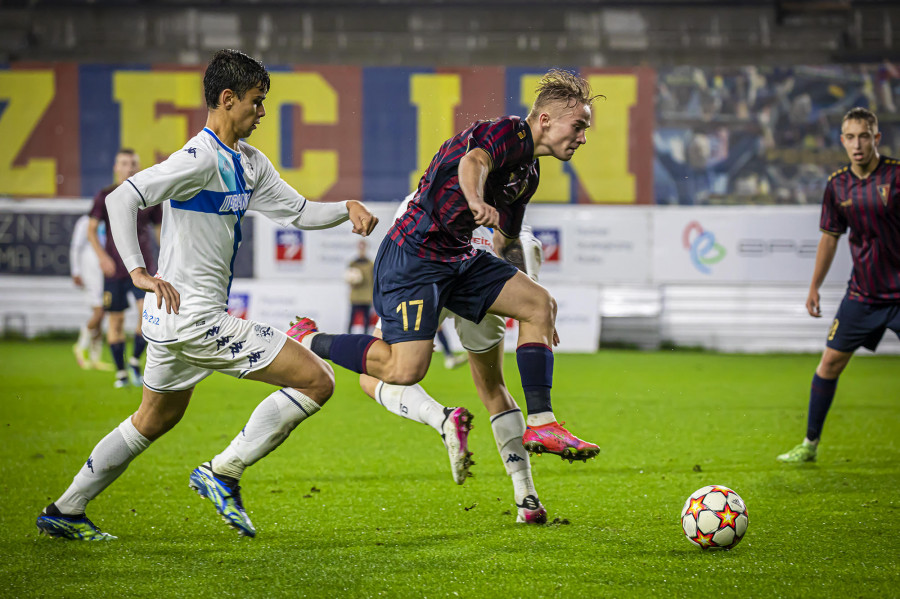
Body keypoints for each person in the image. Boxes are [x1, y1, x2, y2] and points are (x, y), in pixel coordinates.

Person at [35, 49, 378, 541]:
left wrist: (346, 208)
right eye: (257, 102)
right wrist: (137, 270)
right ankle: (223, 472)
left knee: (153, 418)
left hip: (170, 319)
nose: (262, 112)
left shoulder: (249, 163)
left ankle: (65, 510)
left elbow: (299, 212)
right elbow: (121, 197)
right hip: (194, 318)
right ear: (227, 98)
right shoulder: (198, 158)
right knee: (317, 380)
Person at [289, 69, 601, 520]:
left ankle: (543, 425)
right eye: (580, 126)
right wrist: (475, 201)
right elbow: (472, 162)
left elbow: (506, 243)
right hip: (414, 256)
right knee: (404, 368)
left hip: (460, 260)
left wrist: (526, 309)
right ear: (547, 119)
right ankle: (308, 339)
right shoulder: (507, 132)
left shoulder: (528, 174)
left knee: (540, 303)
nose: (583, 137)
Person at [339, 194, 599, 524]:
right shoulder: (503, 199)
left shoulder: (425, 195)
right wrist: (533, 313)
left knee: (373, 375)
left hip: (426, 280)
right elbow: (523, 250)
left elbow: (398, 256)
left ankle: (443, 418)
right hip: (482, 282)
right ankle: (526, 497)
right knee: (493, 390)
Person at [777, 107, 899, 463]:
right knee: (829, 364)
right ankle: (809, 445)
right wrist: (814, 286)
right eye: (850, 137)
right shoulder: (837, 184)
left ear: (876, 138)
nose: (857, 144)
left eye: (865, 136)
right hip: (863, 294)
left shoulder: (897, 176)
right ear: (842, 140)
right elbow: (830, 239)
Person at [88, 149, 162, 388]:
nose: (129, 167)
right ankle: (121, 373)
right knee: (116, 322)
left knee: (147, 318)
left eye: (133, 163)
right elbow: (91, 229)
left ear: (139, 167)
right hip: (115, 270)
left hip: (144, 268)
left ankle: (133, 361)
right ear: (115, 167)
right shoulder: (106, 196)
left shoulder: (148, 196)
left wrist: (168, 260)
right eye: (124, 163)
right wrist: (102, 257)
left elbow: (161, 231)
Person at [69, 213, 111, 371]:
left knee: (103, 313)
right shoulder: (85, 221)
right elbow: (76, 247)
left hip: (104, 272)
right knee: (99, 311)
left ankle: (95, 359)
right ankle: (80, 347)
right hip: (89, 271)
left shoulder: (107, 221)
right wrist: (76, 271)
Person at [345, 239, 374, 334]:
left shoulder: (371, 264)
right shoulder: (353, 263)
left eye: (363, 247)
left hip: (366, 296)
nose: (361, 249)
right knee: (352, 319)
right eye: (360, 247)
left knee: (366, 320)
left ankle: (366, 339)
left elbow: (373, 281)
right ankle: (347, 337)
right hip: (356, 296)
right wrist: (353, 280)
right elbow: (348, 279)